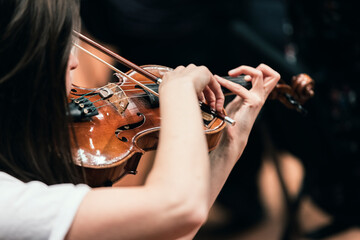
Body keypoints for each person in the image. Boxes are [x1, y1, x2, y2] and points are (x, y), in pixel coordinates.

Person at [0, 0, 280, 239]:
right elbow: (177, 206)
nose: (74, 60)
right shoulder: (9, 204)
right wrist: (178, 91)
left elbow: (168, 226)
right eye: (60, 46)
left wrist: (229, 144)